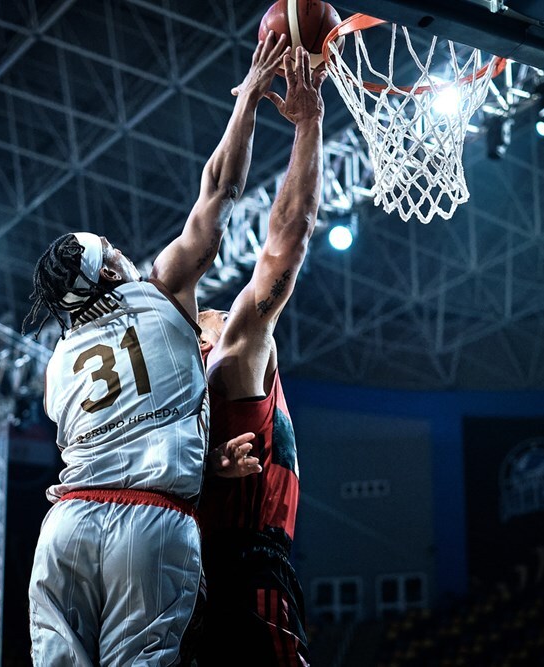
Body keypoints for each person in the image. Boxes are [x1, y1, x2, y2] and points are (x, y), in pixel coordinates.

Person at [23, 32, 290, 667]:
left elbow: (111, 443)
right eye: (113, 248)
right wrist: (248, 97)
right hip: (147, 522)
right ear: (112, 268)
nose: (123, 249)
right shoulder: (161, 289)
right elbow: (219, 190)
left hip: (65, 525)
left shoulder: (57, 364)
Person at [196, 47, 327, 667]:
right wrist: (308, 123)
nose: (221, 308)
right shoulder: (230, 355)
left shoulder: (167, 406)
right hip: (242, 572)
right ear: (203, 338)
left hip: (186, 577)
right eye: (210, 313)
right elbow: (288, 236)